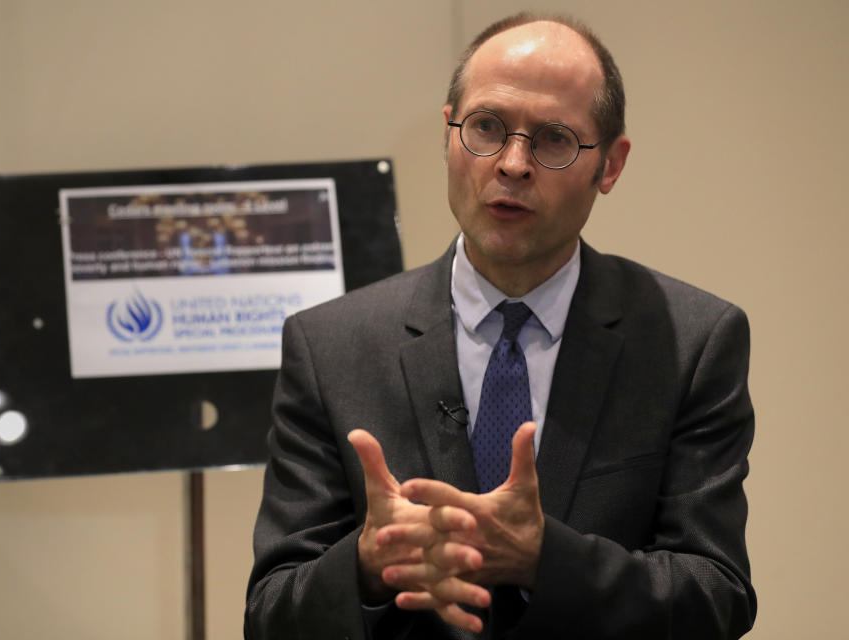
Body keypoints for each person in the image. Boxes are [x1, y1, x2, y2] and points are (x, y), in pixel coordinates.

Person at [245, 11, 756, 640]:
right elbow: (271, 613)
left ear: (611, 166)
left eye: (554, 139)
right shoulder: (330, 347)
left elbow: (716, 597)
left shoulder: (692, 342)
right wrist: (368, 567)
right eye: (486, 126)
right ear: (447, 134)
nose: (513, 164)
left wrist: (547, 561)